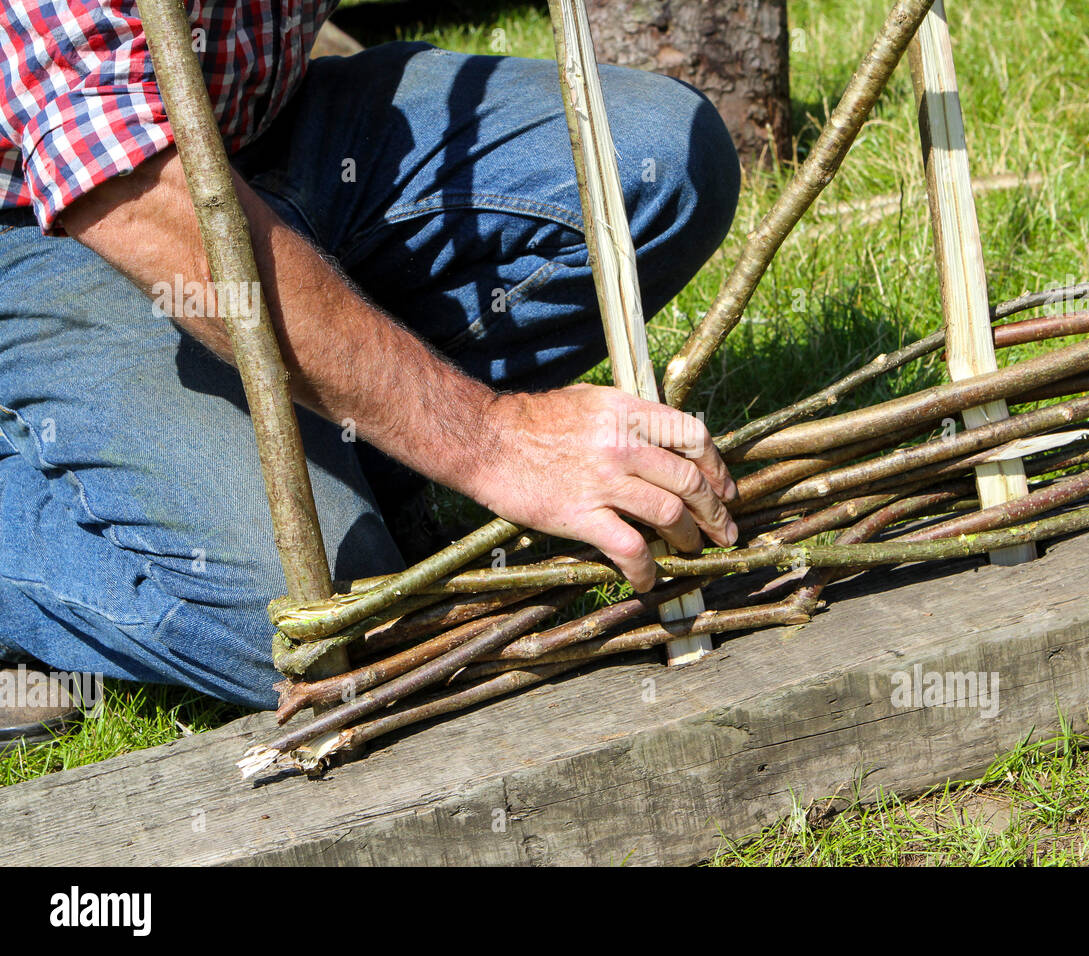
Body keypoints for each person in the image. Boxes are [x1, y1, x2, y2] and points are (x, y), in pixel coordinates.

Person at [0, 1, 741, 748]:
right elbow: (125, 183)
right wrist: (488, 439)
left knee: (658, 160)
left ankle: (346, 435)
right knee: (316, 615)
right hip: (66, 209)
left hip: (269, 124)